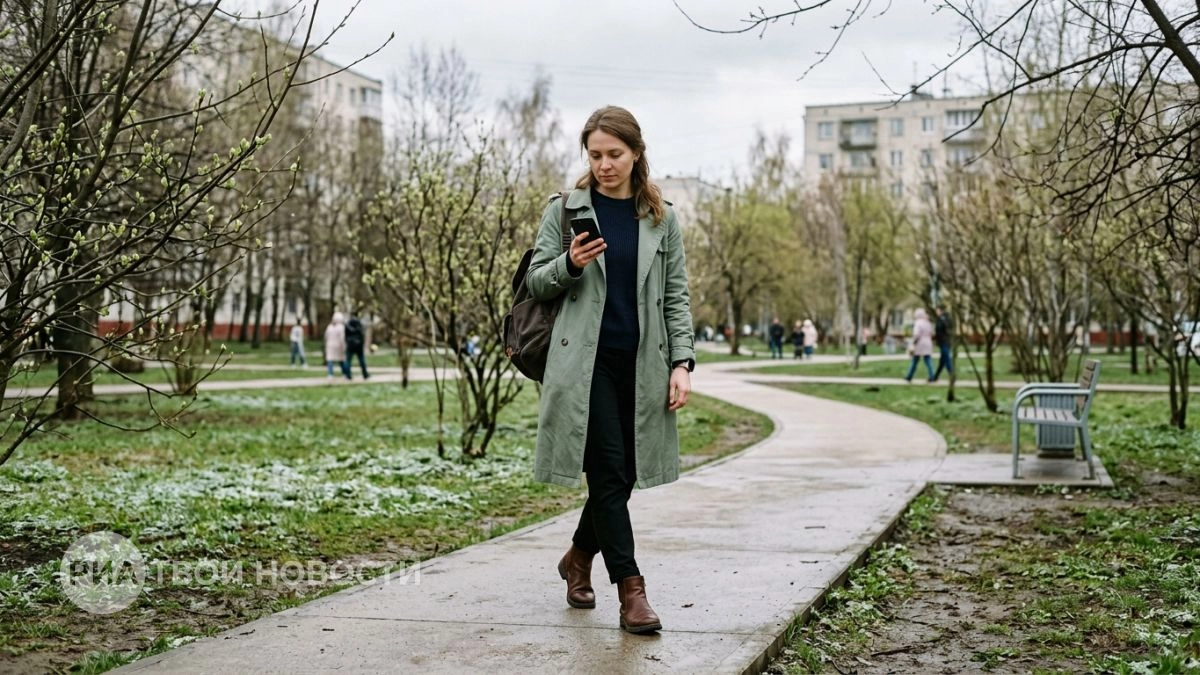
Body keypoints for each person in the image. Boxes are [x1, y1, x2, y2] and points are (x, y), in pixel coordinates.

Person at [526, 106, 694, 635]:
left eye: (614, 154)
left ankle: (578, 558)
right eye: (595, 154)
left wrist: (682, 362)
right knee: (607, 471)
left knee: (621, 476)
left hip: (643, 365)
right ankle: (631, 591)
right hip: (585, 364)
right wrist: (570, 263)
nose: (604, 165)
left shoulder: (661, 218)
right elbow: (535, 282)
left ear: (636, 153)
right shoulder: (565, 210)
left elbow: (676, 297)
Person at [904, 308, 935, 383]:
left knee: (915, 360)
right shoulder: (928, 322)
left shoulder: (918, 323)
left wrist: (913, 342)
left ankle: (909, 376)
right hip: (928, 342)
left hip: (920, 343)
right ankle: (932, 375)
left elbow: (916, 334)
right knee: (928, 360)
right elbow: (931, 333)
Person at [323, 312, 351, 380]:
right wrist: (344, 346)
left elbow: (326, 336)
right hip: (338, 346)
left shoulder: (329, 327)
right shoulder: (341, 327)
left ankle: (330, 374)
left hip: (330, 345)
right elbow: (342, 338)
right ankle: (345, 374)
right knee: (342, 360)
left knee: (330, 360)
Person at [932, 305, 954, 381]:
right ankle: (935, 376)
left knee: (946, 359)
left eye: (937, 310)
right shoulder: (940, 318)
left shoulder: (944, 318)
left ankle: (952, 375)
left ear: (941, 311)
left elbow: (944, 329)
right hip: (942, 341)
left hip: (945, 341)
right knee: (942, 360)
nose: (936, 312)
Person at [344, 313, 369, 380]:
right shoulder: (359, 324)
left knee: (348, 360)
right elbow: (362, 334)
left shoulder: (348, 325)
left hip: (350, 344)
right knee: (361, 360)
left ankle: (348, 375)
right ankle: (365, 374)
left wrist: (347, 342)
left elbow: (346, 335)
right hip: (358, 345)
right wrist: (362, 343)